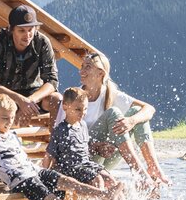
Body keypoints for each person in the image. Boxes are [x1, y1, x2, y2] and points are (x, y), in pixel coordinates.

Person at [56, 51, 170, 186]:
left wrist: (131, 121)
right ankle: (139, 172)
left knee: (136, 112)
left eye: (87, 67)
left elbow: (149, 109)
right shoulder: (74, 97)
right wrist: (94, 146)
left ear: (101, 74)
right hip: (83, 159)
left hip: (107, 156)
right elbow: (60, 138)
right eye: (82, 67)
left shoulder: (111, 94)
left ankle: (153, 167)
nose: (81, 71)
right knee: (113, 113)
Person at [0, 4, 62, 130]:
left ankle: (56, 147)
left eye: (31, 30)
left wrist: (30, 101)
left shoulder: (43, 42)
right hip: (4, 94)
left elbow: (52, 80)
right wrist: (19, 100)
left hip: (33, 94)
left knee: (56, 98)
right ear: (11, 29)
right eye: (22, 30)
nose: (27, 35)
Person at [43, 87, 124, 200]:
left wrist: (97, 147)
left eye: (85, 109)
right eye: (78, 109)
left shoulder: (83, 125)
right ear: (65, 106)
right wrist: (45, 175)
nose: (83, 113)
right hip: (70, 167)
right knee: (97, 179)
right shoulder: (60, 130)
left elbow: (83, 147)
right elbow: (49, 155)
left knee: (109, 178)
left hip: (85, 164)